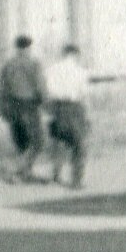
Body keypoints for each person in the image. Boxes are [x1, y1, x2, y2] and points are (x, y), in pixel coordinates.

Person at [0, 34, 46, 182]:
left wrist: (3, 108)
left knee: (21, 141)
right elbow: (40, 86)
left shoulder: (8, 65)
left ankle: (25, 174)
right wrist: (45, 102)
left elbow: (2, 89)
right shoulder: (34, 64)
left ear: (16, 48)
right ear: (28, 48)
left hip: (12, 106)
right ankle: (19, 172)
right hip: (29, 106)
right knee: (37, 141)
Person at [43, 43, 91, 188]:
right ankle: (76, 180)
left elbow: (47, 91)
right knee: (79, 144)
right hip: (74, 107)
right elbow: (84, 94)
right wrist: (88, 115)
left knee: (58, 141)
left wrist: (49, 110)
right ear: (75, 54)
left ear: (64, 54)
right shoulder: (80, 71)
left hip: (57, 107)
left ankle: (56, 175)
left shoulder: (51, 70)